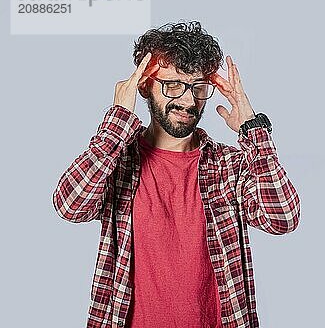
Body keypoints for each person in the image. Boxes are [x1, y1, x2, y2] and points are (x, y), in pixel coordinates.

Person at [52, 21, 301, 328]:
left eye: (198, 87)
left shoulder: (228, 166)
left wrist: (252, 129)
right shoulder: (119, 162)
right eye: (173, 85)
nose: (188, 101)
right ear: (144, 86)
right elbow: (69, 206)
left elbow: (282, 218)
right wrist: (117, 123)